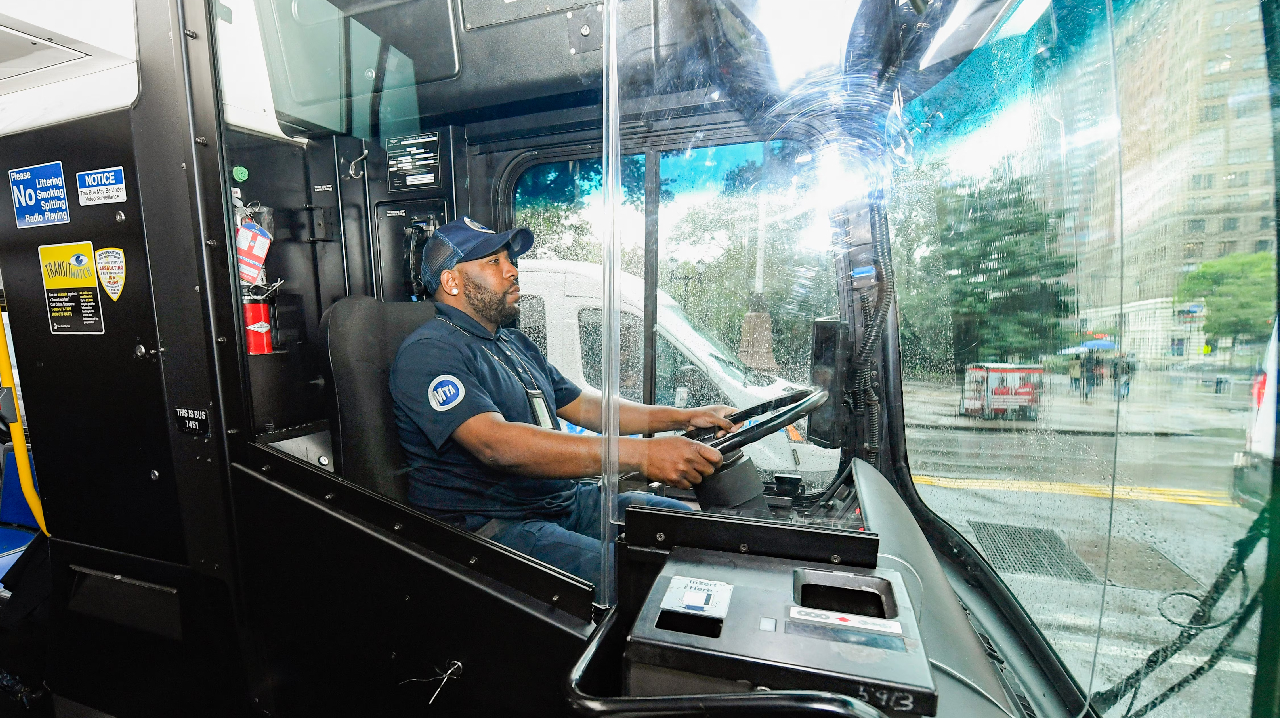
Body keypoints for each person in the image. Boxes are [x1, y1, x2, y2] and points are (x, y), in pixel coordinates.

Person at [390, 217, 740, 586]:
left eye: (511, 261)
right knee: (648, 578)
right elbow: (496, 445)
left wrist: (684, 418)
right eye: (493, 262)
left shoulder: (511, 343)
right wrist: (642, 455)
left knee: (688, 527)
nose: (512, 271)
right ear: (451, 281)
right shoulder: (430, 352)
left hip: (562, 503)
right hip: (493, 526)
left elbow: (586, 407)